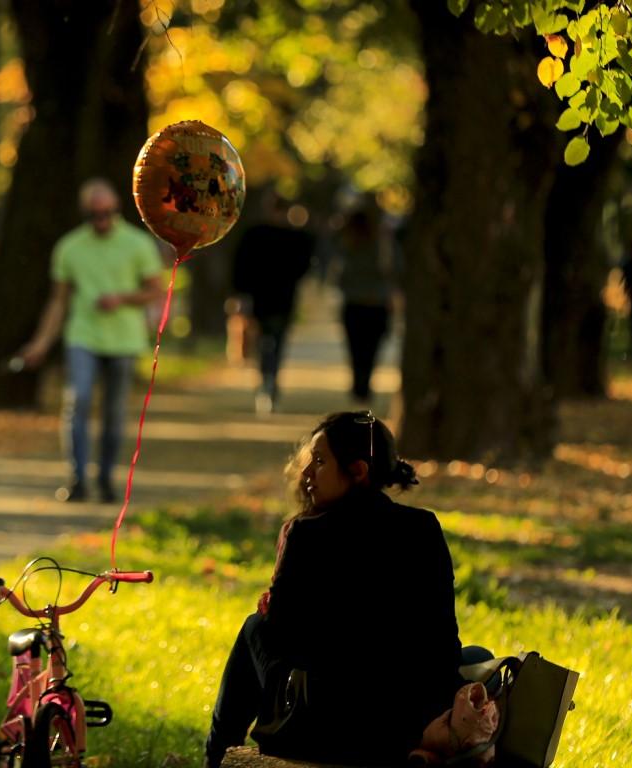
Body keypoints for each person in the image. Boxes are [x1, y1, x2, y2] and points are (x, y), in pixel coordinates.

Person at [204, 412, 466, 768]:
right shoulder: (424, 527)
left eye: (320, 462)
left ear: (357, 471)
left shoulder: (308, 534)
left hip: (331, 729)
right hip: (407, 721)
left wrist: (273, 607)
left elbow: (282, 638)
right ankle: (419, 745)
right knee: (475, 655)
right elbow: (443, 643)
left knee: (254, 628)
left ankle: (216, 754)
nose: (306, 473)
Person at [16, 179, 164, 503]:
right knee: (78, 401)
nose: (102, 220)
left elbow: (156, 289)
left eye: (108, 213)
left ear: (117, 210)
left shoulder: (138, 244)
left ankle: (107, 478)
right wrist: (41, 343)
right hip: (82, 335)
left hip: (124, 339)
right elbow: (59, 301)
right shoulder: (70, 247)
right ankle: (78, 478)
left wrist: (123, 298)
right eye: (95, 215)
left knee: (113, 412)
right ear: (85, 214)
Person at [231, 193, 315, 414]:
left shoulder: (254, 234)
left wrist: (240, 293)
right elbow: (305, 266)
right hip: (282, 298)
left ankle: (267, 381)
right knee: (274, 342)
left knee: (265, 343)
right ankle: (270, 381)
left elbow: (240, 267)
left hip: (263, 298)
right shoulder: (296, 237)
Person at [334, 206, 399, 404]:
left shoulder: (347, 246)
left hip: (354, 305)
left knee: (356, 349)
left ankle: (359, 386)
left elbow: (340, 277)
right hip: (376, 305)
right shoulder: (383, 246)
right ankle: (364, 385)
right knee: (371, 349)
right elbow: (396, 270)